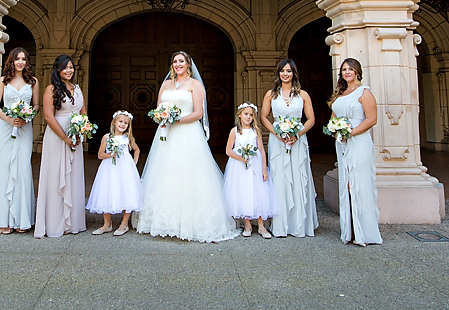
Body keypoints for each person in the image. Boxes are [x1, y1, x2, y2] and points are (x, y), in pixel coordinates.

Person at [135, 51, 239, 242]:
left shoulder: (195, 85)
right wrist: (162, 117)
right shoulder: (166, 84)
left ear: (188, 64)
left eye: (181, 61)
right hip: (166, 133)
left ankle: (191, 221)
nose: (177, 64)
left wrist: (176, 120)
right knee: (164, 172)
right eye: (175, 61)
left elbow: (198, 113)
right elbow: (158, 108)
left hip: (187, 133)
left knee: (188, 173)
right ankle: (163, 220)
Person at [260, 58, 319, 237]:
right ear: (278, 73)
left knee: (298, 176)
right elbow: (263, 117)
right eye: (282, 71)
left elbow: (311, 119)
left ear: (294, 73)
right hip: (277, 140)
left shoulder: (303, 95)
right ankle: (280, 225)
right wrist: (277, 133)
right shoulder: (271, 94)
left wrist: (297, 134)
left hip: (297, 140)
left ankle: (298, 224)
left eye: (289, 71)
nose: (285, 74)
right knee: (279, 178)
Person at [328, 57, 382, 246]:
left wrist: (350, 132)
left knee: (359, 184)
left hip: (359, 142)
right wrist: (335, 131)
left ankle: (365, 233)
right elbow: (333, 118)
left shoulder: (364, 92)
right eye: (344, 69)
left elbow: (371, 119)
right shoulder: (341, 94)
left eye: (350, 69)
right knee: (346, 185)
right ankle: (349, 230)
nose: (347, 72)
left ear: (357, 72)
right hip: (342, 144)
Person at [0, 47, 38, 234]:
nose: (20, 62)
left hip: (24, 127)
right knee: (4, 168)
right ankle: (3, 219)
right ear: (12, 61)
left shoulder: (33, 81)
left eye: (24, 59)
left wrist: (27, 118)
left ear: (27, 62)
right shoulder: (3, 80)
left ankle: (22, 219)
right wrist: (9, 119)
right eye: (17, 59)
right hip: (4, 128)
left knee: (22, 168)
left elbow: (36, 105)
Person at [34, 54, 87, 237]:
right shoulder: (51, 89)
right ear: (58, 70)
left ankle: (73, 223)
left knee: (73, 175)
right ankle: (56, 222)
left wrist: (80, 132)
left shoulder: (78, 89)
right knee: (56, 176)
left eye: (71, 67)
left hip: (75, 136)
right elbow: (48, 116)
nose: (69, 70)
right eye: (65, 67)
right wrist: (65, 137)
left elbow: (83, 113)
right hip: (58, 136)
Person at [222, 102, 278, 239]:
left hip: (256, 165)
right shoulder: (234, 131)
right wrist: (241, 159)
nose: (248, 117)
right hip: (239, 167)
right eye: (246, 114)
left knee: (259, 193)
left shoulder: (256, 131)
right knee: (244, 193)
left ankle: (261, 225)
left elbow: (262, 151)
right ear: (239, 115)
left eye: (251, 115)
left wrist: (264, 169)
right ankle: (247, 223)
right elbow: (228, 150)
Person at [87, 110, 142, 236]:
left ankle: (124, 224)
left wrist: (133, 163)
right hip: (109, 168)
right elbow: (100, 155)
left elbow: (137, 149)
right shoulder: (107, 137)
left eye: (126, 123)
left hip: (125, 168)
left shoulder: (128, 138)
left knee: (126, 191)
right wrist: (111, 154)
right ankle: (107, 224)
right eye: (120, 122)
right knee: (107, 191)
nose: (123, 125)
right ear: (114, 122)